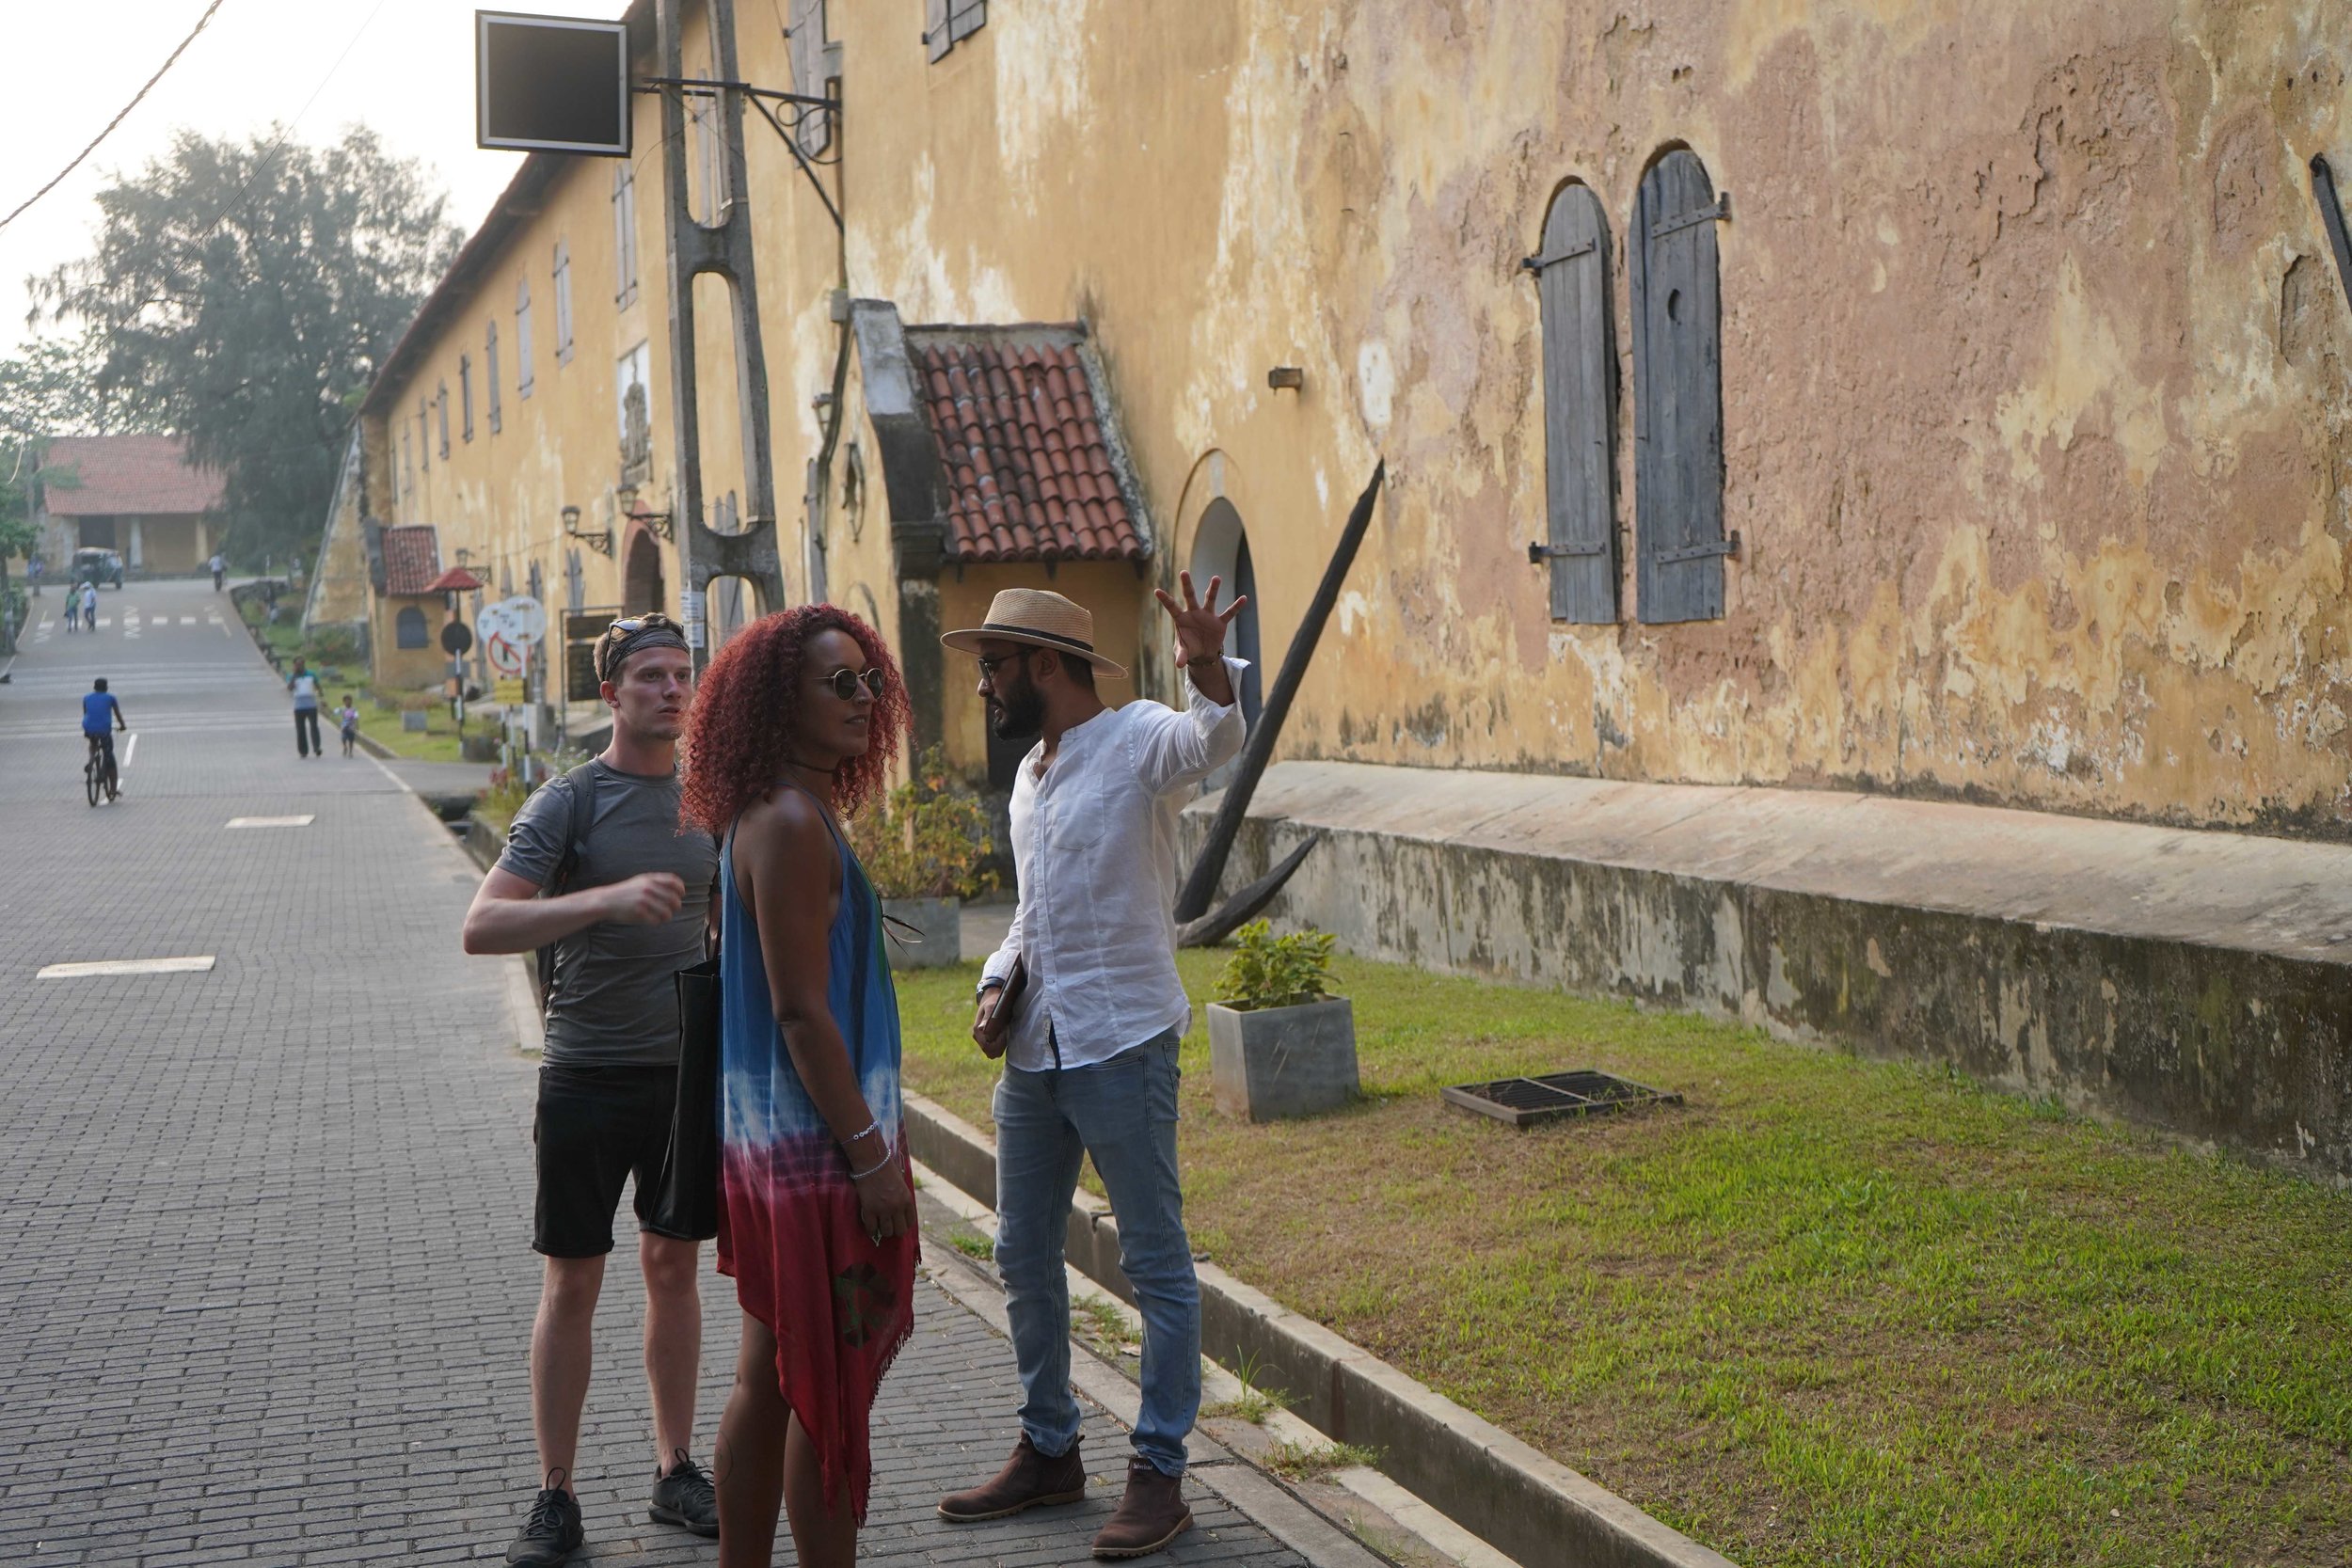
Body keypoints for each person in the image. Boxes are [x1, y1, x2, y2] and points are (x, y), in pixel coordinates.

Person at [934, 579, 1248, 1560]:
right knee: (1021, 1252)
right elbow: (1034, 908)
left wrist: (1205, 667)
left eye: (993, 665)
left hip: (1122, 1043)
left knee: (1154, 1263)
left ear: (1042, 663)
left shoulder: (1138, 739)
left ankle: (1159, 1469)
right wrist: (997, 980)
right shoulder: (1032, 771)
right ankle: (1050, 1446)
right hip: (1037, 1051)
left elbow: (1212, 741)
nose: (982, 685)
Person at [460, 611, 723, 1566]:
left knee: (673, 1268)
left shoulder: (710, 797)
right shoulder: (568, 801)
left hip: (682, 1074)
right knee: (573, 1277)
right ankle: (556, 1490)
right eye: (650, 675)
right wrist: (604, 900)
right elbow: (482, 924)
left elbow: (724, 912)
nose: (670, 689)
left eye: (682, 674)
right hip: (585, 1072)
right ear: (610, 693)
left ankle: (675, 1466)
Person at [677, 605, 918, 1568]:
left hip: (779, 1142)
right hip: (813, 1151)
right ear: (781, 703)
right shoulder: (786, 820)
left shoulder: (776, 811)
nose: (865, 698)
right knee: (821, 1383)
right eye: (840, 682)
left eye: (870, 679)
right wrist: (870, 1153)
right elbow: (799, 1011)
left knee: (771, 1375)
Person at [82, 677, 127, 797]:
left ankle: (91, 759)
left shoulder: (86, 698)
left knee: (93, 741)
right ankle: (113, 789)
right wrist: (122, 726)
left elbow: (86, 714)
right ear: (106, 688)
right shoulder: (110, 698)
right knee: (109, 756)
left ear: (94, 687)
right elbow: (117, 714)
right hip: (104, 730)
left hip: (88, 728)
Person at [286, 658, 324, 757]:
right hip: (299, 707)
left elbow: (318, 686)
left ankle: (316, 747)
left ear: (304, 664)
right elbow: (289, 688)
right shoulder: (291, 676)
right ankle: (303, 751)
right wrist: (294, 676)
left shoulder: (311, 674)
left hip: (311, 705)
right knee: (300, 729)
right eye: (297, 665)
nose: (299, 667)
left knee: (314, 727)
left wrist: (322, 697)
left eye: (300, 664)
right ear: (294, 665)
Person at [337, 693, 360, 758]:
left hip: (351, 727)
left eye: (349, 700)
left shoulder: (354, 709)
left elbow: (356, 717)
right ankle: (345, 747)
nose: (348, 702)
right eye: (346, 701)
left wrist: (357, 725)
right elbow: (335, 712)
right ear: (344, 701)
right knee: (343, 738)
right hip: (344, 726)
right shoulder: (341, 708)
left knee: (351, 739)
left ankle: (350, 751)